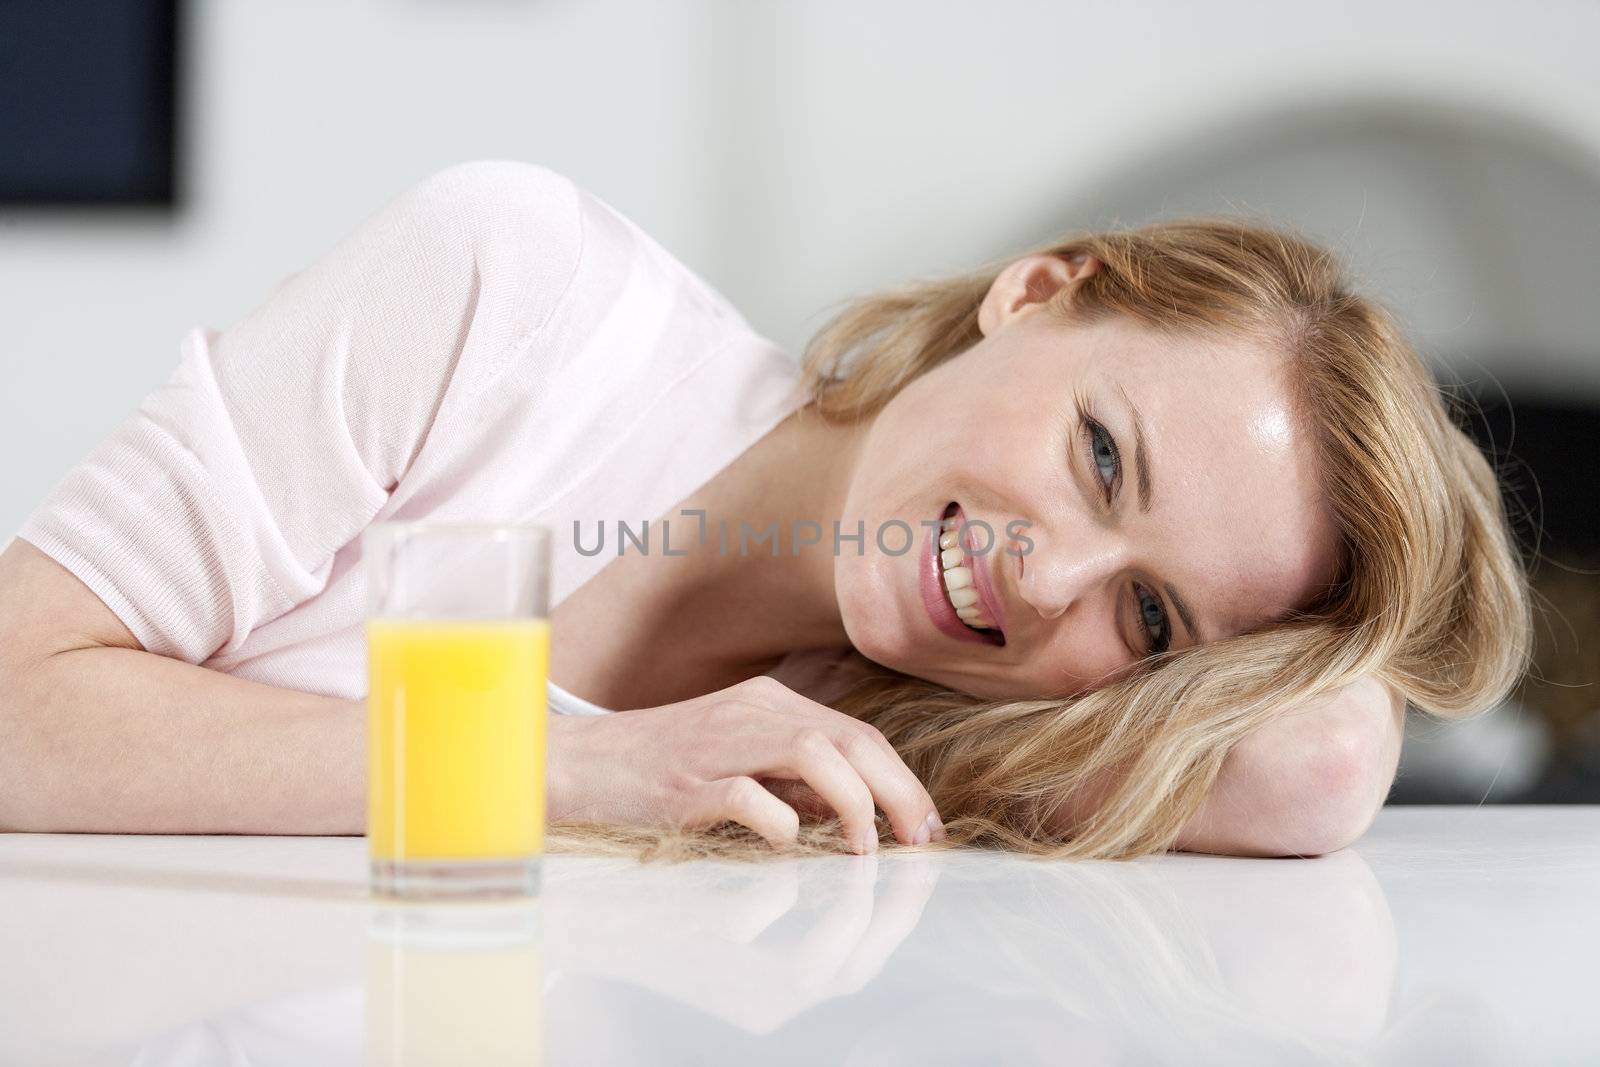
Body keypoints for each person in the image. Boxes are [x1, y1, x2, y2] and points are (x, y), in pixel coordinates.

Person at [0, 160, 1530, 860]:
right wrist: (583, 769)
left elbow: (1319, 765)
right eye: (1104, 457)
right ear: (1039, 289)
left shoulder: (923, 748)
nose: (1045, 577)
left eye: (1151, 618)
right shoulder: (517, 297)